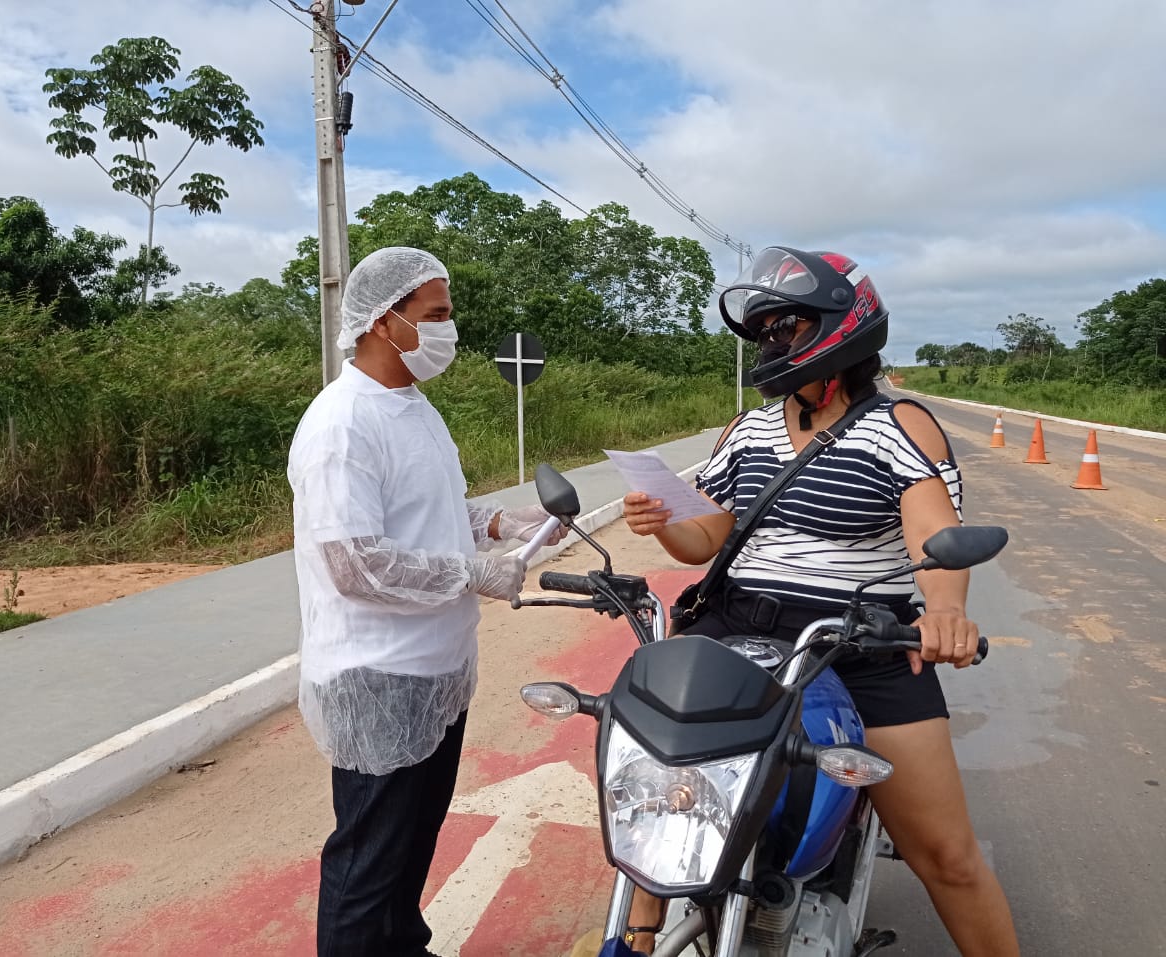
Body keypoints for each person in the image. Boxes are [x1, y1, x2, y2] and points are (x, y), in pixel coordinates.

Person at [620, 247, 1019, 956]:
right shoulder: (747, 430)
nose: (772, 341)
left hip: (860, 643)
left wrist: (945, 611)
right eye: (764, 330)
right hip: (736, 631)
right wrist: (663, 523)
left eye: (787, 325)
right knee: (655, 811)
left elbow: (934, 538)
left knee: (947, 856)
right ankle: (639, 934)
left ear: (844, 323)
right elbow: (706, 536)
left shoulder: (899, 425)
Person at [287, 246, 565, 957]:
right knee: (367, 863)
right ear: (384, 321)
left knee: (412, 845)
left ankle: (404, 947)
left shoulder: (413, 407)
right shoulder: (342, 424)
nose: (448, 328)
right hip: (378, 676)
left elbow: (432, 507)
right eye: (436, 314)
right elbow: (357, 563)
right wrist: (474, 574)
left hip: (435, 672)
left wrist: (503, 523)